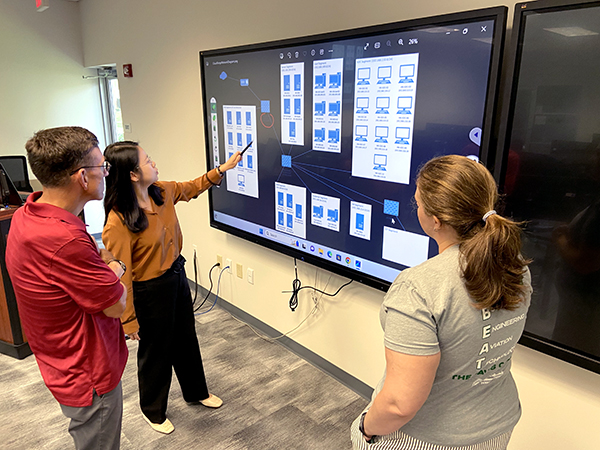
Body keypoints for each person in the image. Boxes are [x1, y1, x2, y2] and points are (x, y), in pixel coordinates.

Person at [351, 155, 533, 450]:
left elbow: (399, 405)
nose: (417, 207)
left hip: (429, 438)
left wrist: (365, 427)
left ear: (435, 220)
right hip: (497, 426)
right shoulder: (517, 267)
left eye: (418, 202)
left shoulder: (418, 288)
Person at [102, 141, 241, 434]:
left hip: (176, 277)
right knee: (156, 351)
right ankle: (152, 410)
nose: (153, 163)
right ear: (132, 175)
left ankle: (196, 392)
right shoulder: (118, 221)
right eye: (147, 160)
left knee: (186, 339)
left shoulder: (162, 191)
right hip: (148, 292)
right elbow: (120, 275)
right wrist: (128, 320)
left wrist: (222, 169)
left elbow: (191, 187)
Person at [5, 126, 128, 450]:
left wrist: (98, 265)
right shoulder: (65, 240)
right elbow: (117, 305)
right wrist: (116, 266)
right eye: (102, 167)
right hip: (88, 373)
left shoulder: (26, 214)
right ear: (82, 178)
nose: (106, 173)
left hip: (61, 360)